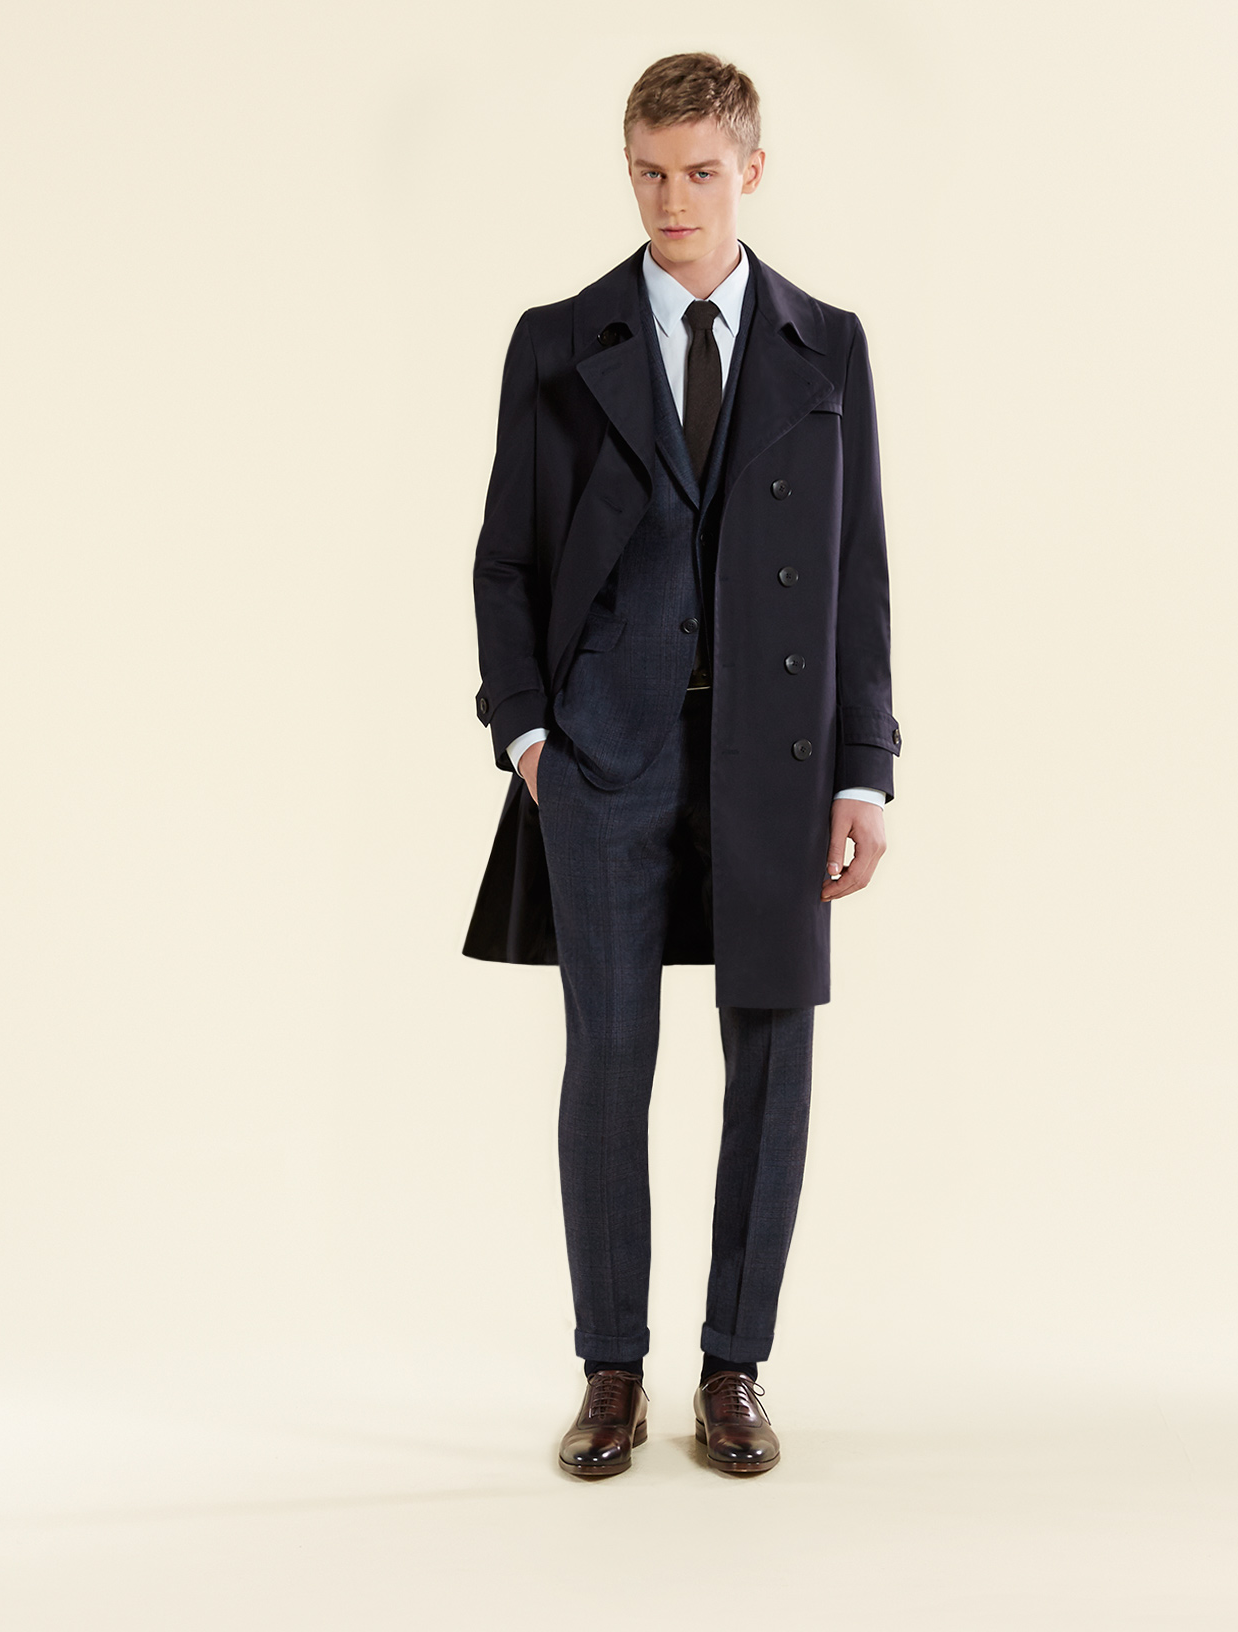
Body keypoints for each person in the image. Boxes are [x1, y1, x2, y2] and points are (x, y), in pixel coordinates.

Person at [464, 51, 898, 1478]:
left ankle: (733, 1370)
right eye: (650, 173)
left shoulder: (828, 345)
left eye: (701, 173)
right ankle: (610, 1372)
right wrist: (530, 733)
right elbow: (506, 558)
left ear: (750, 171)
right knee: (609, 1060)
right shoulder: (556, 341)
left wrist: (864, 769)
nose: (673, 201)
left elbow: (856, 567)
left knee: (772, 1058)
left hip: (779, 762)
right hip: (604, 756)